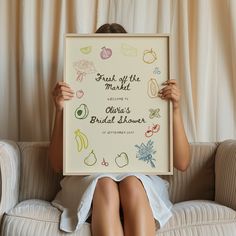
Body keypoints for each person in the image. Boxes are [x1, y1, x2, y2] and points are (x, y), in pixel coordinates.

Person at [49, 23, 190, 236]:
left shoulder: (149, 92)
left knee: (131, 182)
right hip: (92, 178)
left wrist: (176, 109)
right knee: (105, 183)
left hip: (138, 179)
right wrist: (59, 110)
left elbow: (182, 162)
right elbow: (57, 163)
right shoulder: (79, 93)